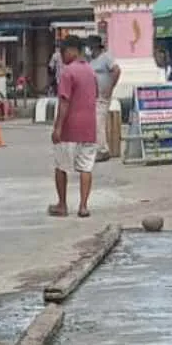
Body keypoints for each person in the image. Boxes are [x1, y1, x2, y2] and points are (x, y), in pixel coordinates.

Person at [49, 36, 99, 219]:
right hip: (89, 128)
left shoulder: (68, 73)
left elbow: (64, 102)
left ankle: (62, 205)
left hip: (70, 128)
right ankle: (83, 206)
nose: (61, 57)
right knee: (86, 167)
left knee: (61, 166)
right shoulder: (91, 72)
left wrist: (58, 128)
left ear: (71, 50)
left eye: (63, 52)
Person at [87, 34, 121, 162]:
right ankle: (99, 147)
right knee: (96, 122)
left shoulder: (106, 57)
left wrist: (110, 87)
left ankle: (102, 150)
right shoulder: (92, 60)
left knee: (98, 122)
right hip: (94, 95)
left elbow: (116, 70)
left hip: (103, 95)